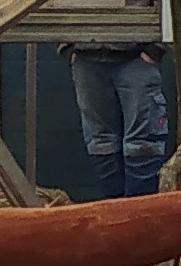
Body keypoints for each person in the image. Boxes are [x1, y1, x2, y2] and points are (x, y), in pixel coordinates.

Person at [62, 35, 171, 200]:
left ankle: (139, 212)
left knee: (141, 144)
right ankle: (118, 211)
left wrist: (155, 49)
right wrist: (67, 48)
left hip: (135, 57)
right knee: (102, 145)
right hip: (86, 58)